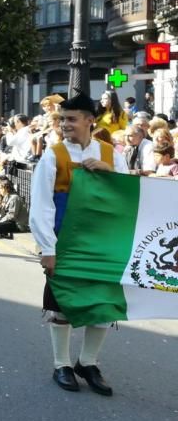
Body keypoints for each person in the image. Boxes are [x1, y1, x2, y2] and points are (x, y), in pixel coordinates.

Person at [29, 89, 128, 396]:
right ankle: (62, 365)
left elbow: (128, 197)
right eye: (62, 120)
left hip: (103, 243)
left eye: (71, 119)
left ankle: (88, 362)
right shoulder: (53, 154)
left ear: (89, 120)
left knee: (102, 303)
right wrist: (48, 248)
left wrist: (110, 173)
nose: (64, 125)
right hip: (66, 243)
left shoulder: (113, 155)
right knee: (62, 304)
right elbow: (42, 204)